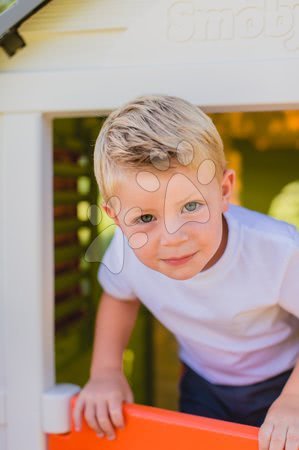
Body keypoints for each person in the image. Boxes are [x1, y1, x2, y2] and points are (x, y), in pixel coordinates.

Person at [73, 95, 299, 450]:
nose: (173, 238)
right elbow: (119, 297)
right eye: (145, 218)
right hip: (202, 381)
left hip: (283, 379)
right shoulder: (123, 251)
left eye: (191, 205)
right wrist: (105, 372)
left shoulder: (278, 250)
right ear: (115, 216)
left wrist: (294, 400)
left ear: (225, 192)